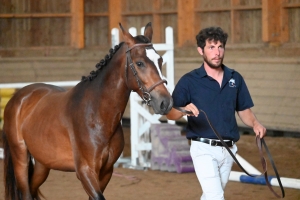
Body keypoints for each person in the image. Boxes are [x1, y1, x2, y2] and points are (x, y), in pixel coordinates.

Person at [166, 26, 266, 200]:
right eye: (211, 47)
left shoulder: (235, 78)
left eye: (220, 47)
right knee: (216, 196)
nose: (217, 52)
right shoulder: (189, 81)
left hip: (228, 149)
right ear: (200, 51)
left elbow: (243, 110)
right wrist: (183, 110)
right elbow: (170, 114)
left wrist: (255, 123)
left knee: (210, 196)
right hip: (203, 148)